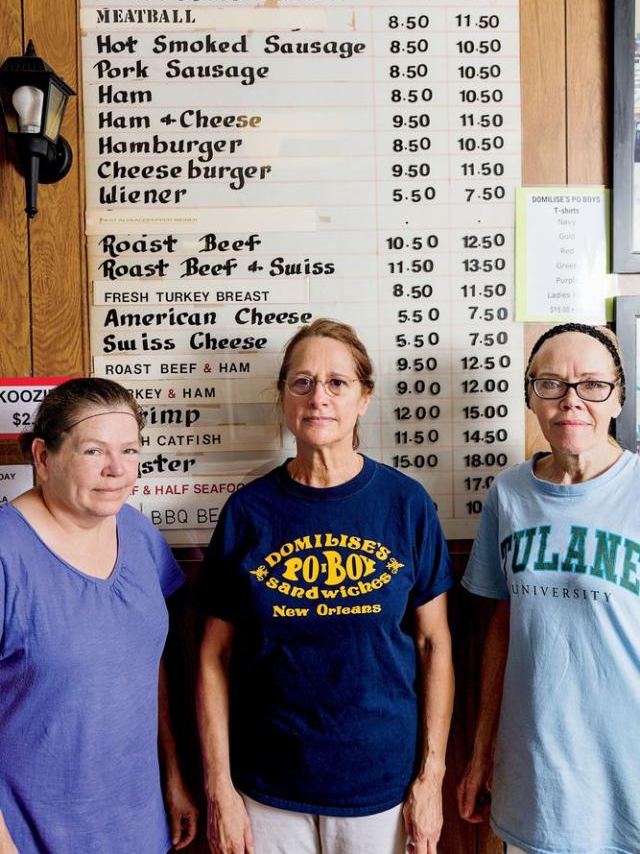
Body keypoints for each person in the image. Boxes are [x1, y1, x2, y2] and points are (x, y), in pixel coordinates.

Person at [196, 318, 455, 854]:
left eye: (338, 383)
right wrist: (219, 787)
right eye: (302, 382)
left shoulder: (406, 506)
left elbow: (434, 645)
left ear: (364, 398)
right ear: (285, 398)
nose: (319, 397)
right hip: (266, 788)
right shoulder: (248, 513)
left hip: (380, 784)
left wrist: (432, 777)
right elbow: (212, 658)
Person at [457, 322, 640, 854]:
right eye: (551, 384)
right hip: (540, 782)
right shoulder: (509, 494)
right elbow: (504, 625)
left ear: (618, 397)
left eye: (592, 384)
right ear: (531, 397)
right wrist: (483, 749)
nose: (571, 400)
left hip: (627, 773)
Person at [0, 377, 198, 854]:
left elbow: (146, 665)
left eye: (129, 451)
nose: (117, 469)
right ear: (44, 457)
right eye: (94, 451)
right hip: (33, 835)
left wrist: (172, 774)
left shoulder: (137, 531)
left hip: (140, 827)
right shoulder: (7, 553)